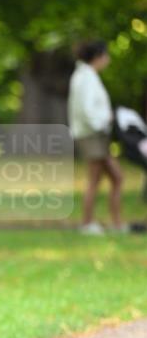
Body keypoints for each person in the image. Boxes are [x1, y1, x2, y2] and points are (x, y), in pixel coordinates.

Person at [68, 40, 125, 234]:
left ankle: (116, 224)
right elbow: (86, 109)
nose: (108, 59)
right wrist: (104, 120)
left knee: (116, 178)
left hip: (96, 134)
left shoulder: (87, 76)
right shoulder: (85, 78)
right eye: (106, 55)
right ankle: (87, 223)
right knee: (95, 179)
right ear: (98, 56)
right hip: (92, 134)